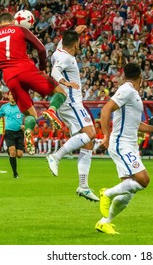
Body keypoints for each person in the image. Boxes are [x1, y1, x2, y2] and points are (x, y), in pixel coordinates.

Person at [0, 13, 76, 155]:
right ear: (13, 21)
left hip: (9, 77)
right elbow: (41, 48)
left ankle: (28, 131)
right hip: (26, 69)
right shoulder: (20, 29)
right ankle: (52, 110)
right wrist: (41, 68)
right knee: (60, 92)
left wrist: (4, 61)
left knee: (30, 114)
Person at [96, 63, 153, 235]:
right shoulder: (127, 90)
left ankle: (105, 222)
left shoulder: (132, 94)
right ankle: (107, 193)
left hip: (130, 145)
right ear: (141, 77)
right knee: (143, 180)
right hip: (121, 144)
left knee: (129, 189)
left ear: (124, 75)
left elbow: (136, 124)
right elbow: (105, 110)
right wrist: (106, 136)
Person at [46, 29, 98, 202]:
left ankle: (83, 186)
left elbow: (66, 38)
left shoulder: (59, 49)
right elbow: (55, 72)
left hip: (71, 103)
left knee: (88, 142)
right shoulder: (66, 57)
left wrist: (77, 30)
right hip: (72, 101)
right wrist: (66, 82)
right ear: (76, 44)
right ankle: (56, 156)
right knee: (91, 134)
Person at [0, 92, 25, 178]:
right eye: (11, 95)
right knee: (12, 152)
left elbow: (27, 116)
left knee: (19, 155)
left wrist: (25, 125)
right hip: (9, 132)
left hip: (19, 132)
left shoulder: (21, 106)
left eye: (13, 95)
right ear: (8, 96)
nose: (12, 96)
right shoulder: (4, 107)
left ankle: (10, 151)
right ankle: (15, 173)